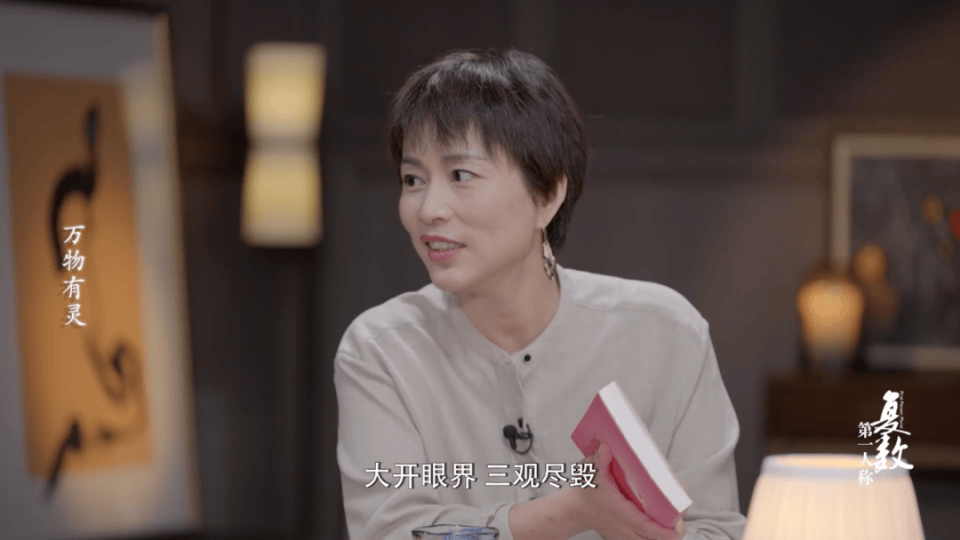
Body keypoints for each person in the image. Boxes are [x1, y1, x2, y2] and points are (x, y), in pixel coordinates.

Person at [334, 49, 745, 540]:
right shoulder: (381, 349)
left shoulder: (666, 333)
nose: (429, 209)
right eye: (413, 179)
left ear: (547, 195)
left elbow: (716, 530)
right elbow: (391, 533)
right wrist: (573, 512)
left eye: (461, 175)